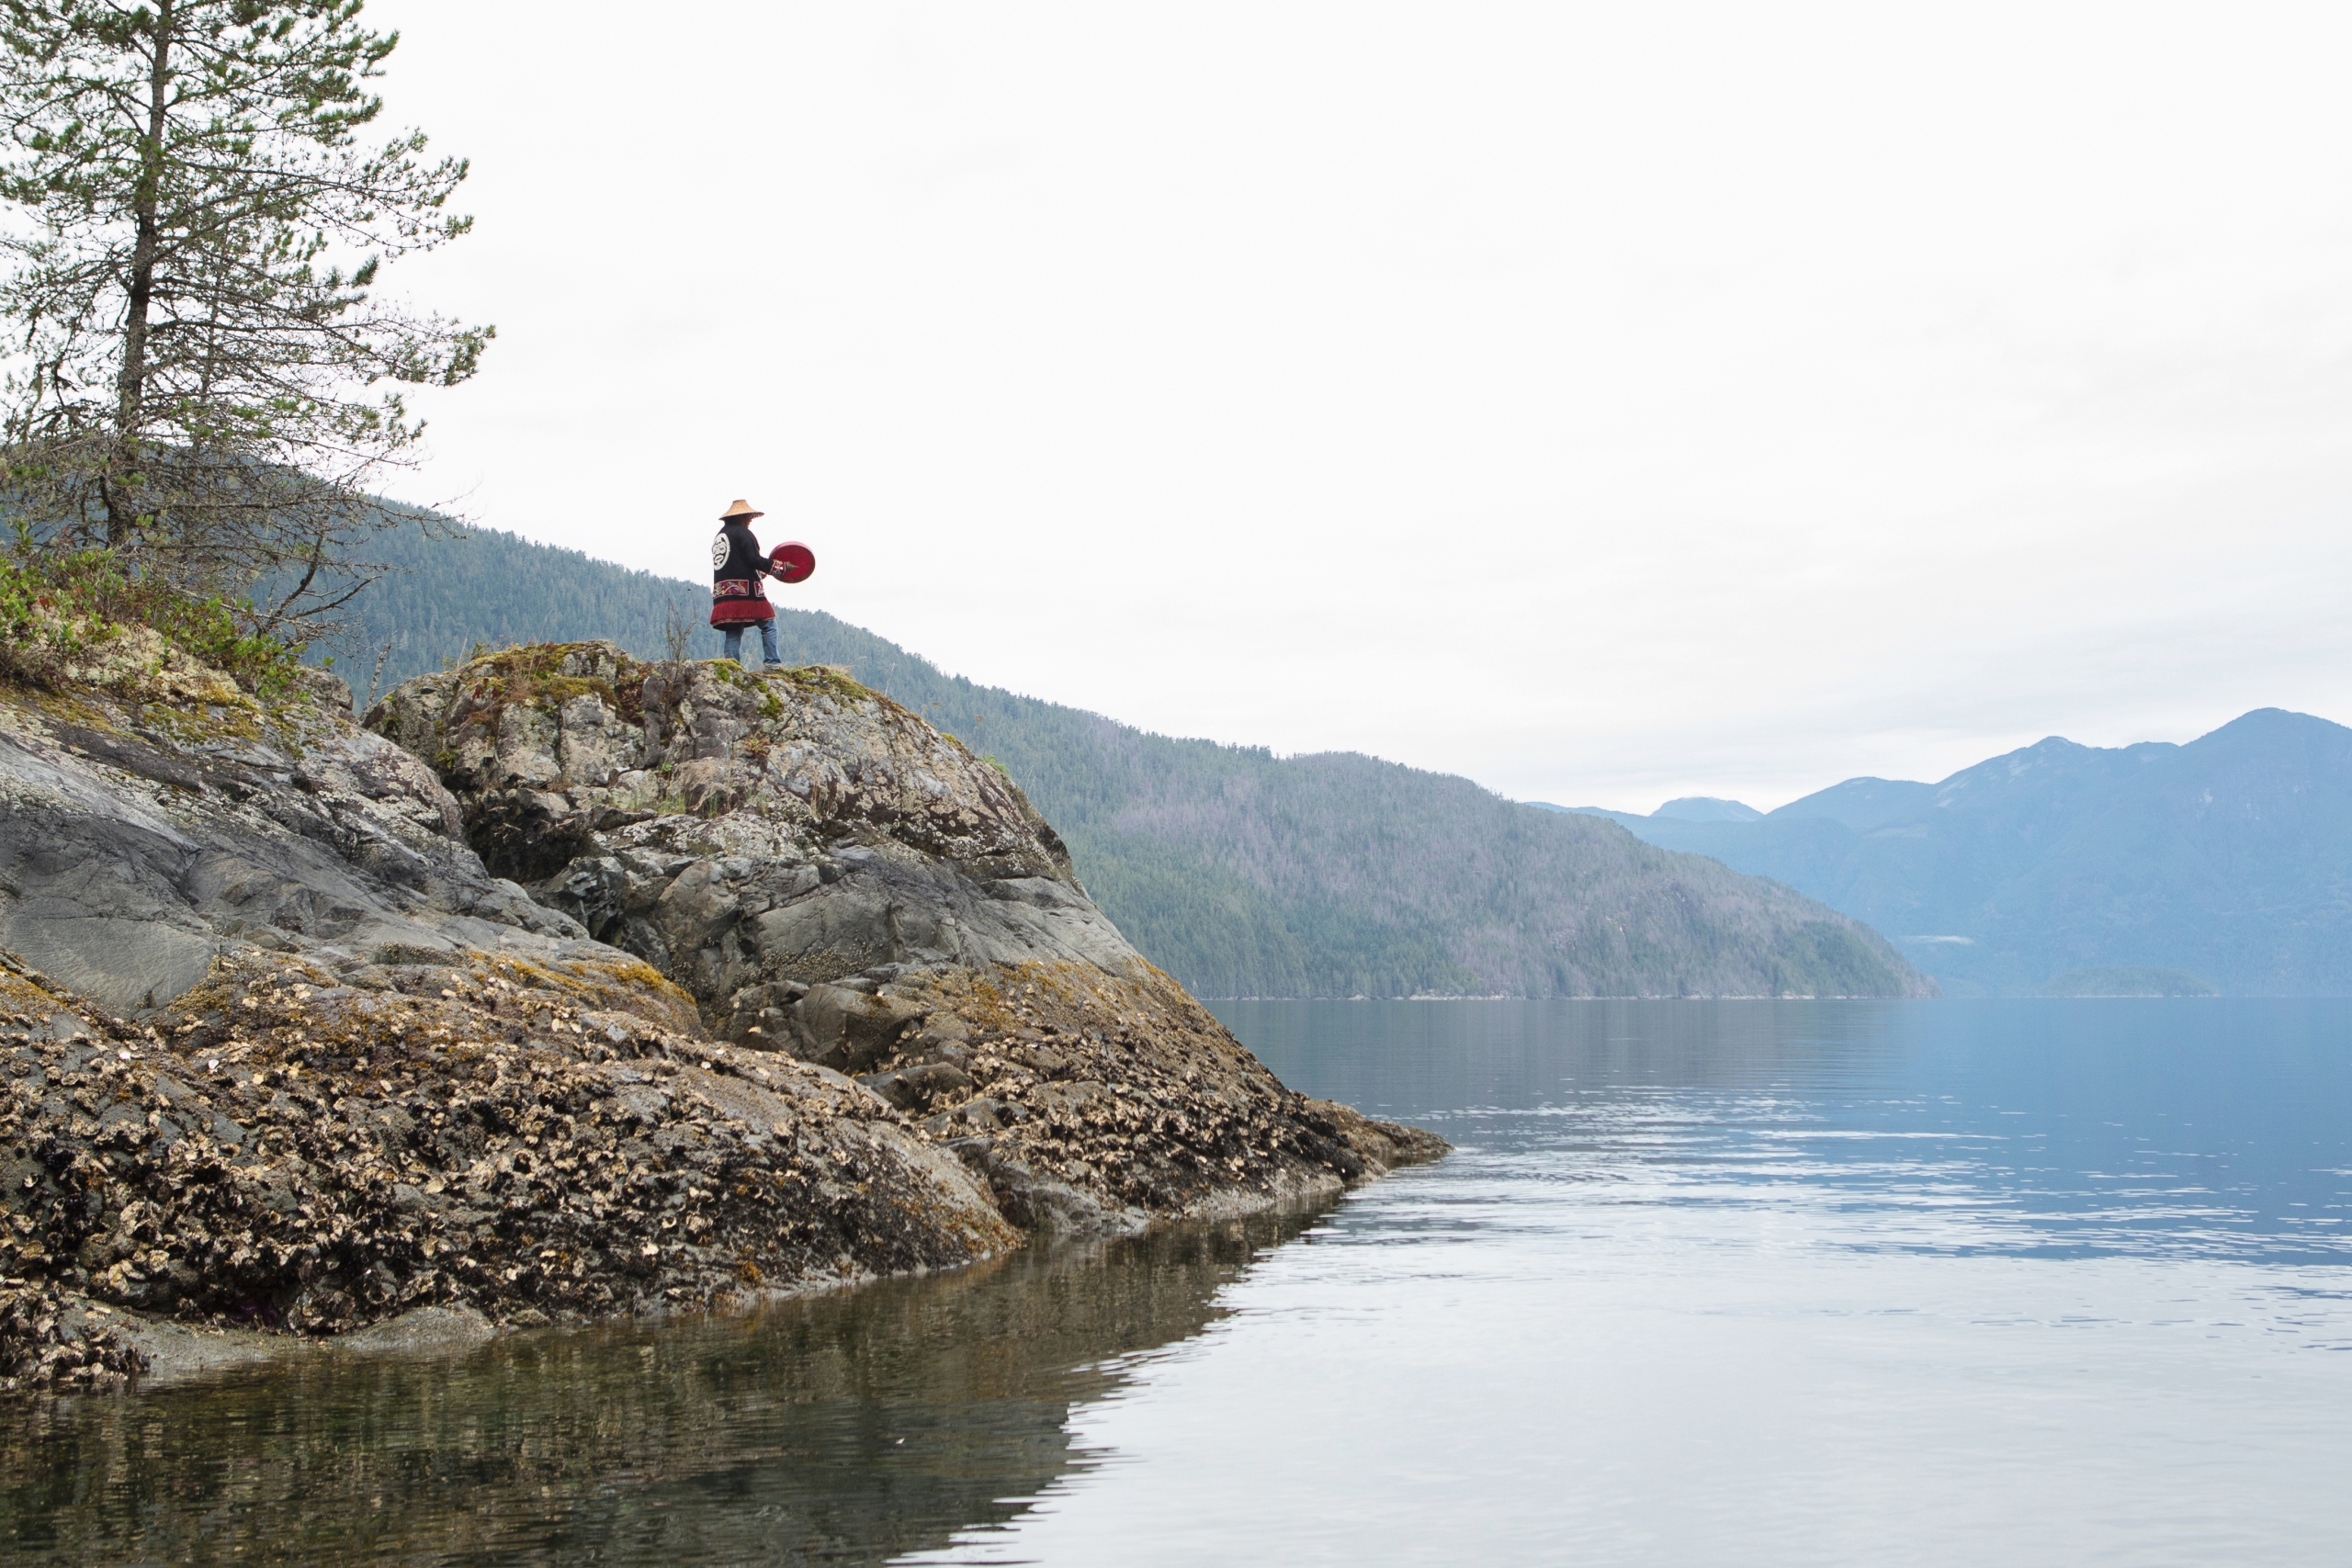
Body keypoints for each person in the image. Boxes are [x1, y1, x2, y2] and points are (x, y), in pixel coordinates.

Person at [709, 498, 786, 667]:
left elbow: (735, 563)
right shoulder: (743, 533)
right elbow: (754, 559)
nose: (750, 520)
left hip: (723, 592)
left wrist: (758, 571)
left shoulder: (720, 536)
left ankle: (731, 668)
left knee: (733, 631)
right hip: (746, 592)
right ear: (741, 517)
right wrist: (779, 567)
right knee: (769, 623)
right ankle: (772, 664)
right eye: (748, 516)